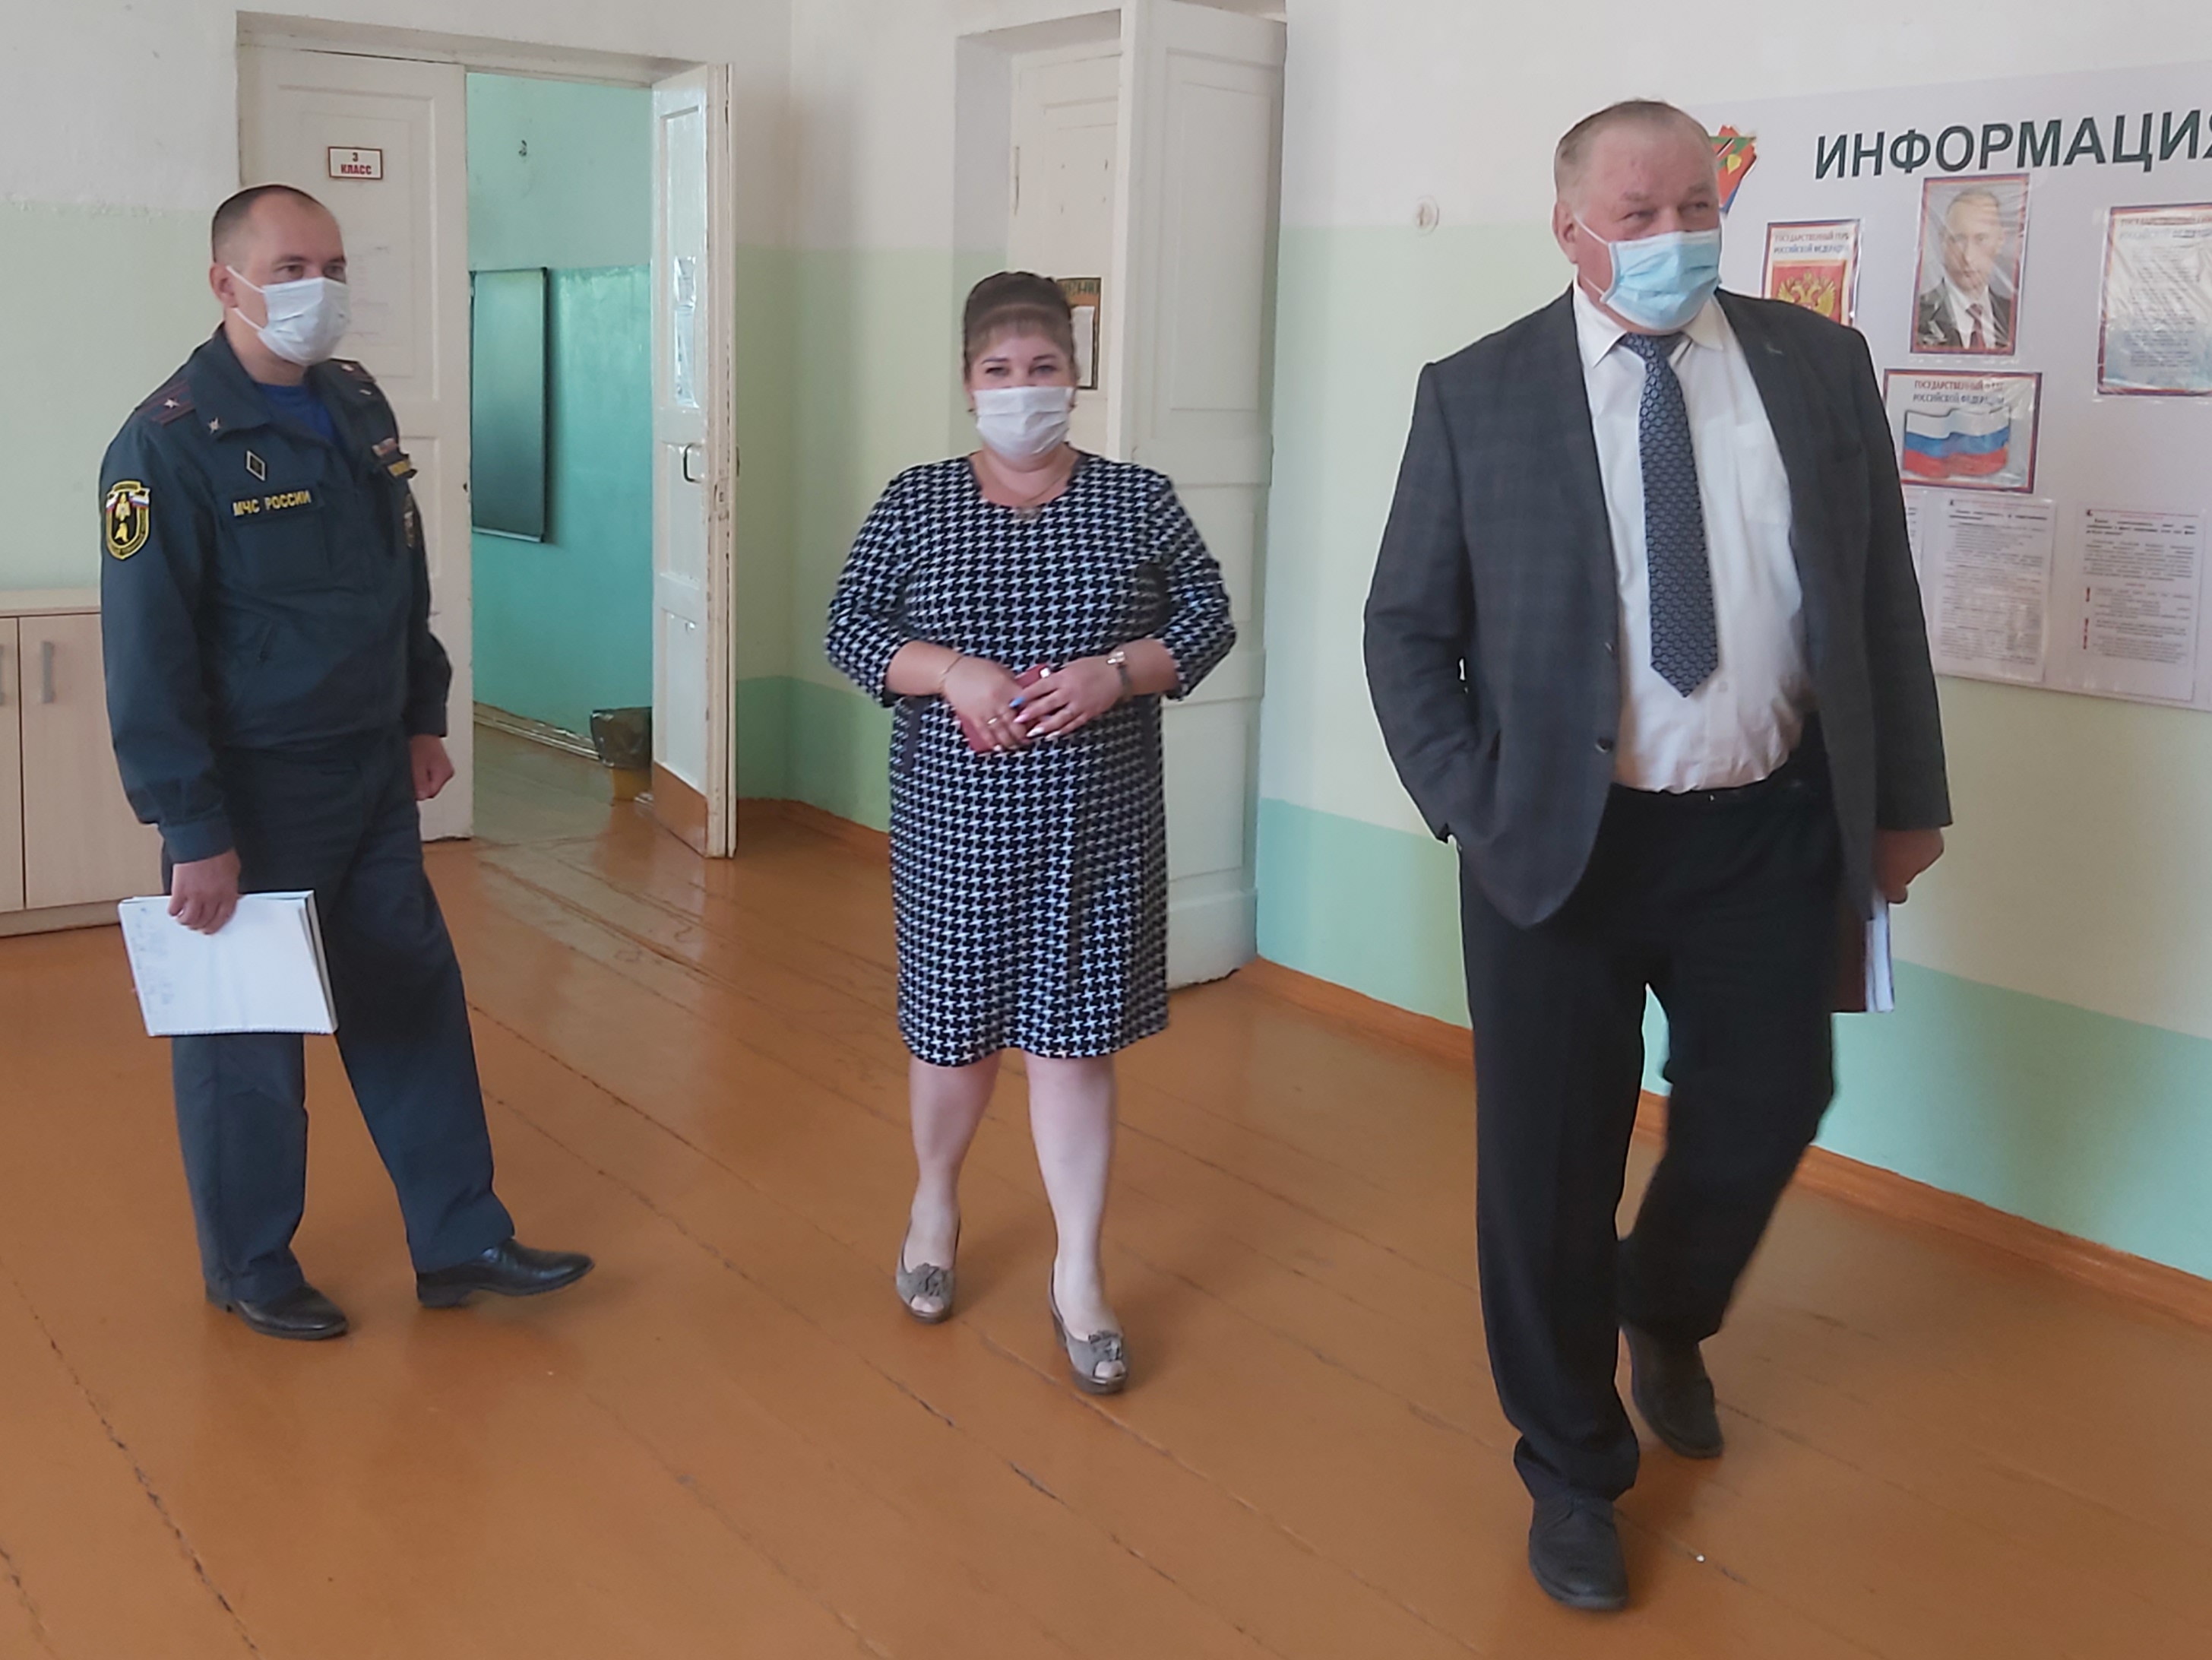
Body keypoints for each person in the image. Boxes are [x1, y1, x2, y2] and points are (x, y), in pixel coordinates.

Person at [1364, 102, 1950, 1611]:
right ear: (1568, 228)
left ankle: (1662, 1303)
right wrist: (1469, 801)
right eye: (1638, 214)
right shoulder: (1477, 392)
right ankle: (1570, 1467)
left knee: (1771, 1101)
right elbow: (1406, 627)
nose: (1676, 233)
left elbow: (1878, 594)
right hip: (1555, 847)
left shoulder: (1817, 365)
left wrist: (1903, 801)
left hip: (1766, 825)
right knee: (1548, 1169)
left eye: (1697, 203)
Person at [99, 184, 593, 1342]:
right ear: (225, 283)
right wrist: (192, 829)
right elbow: (148, 657)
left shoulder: (354, 401)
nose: (316, 289)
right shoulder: (166, 445)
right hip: (253, 793)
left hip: (369, 771)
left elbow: (396, 578)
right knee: (246, 1042)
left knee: (409, 998)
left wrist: (422, 714)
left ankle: (460, 1238)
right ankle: (252, 1265)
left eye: (330, 265)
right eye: (288, 269)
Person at [824, 272, 1234, 1395]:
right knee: (952, 1043)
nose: (1021, 388)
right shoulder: (915, 502)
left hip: (1095, 827)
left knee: (1073, 1045)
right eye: (998, 370)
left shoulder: (1137, 499)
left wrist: (1117, 672)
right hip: (953, 826)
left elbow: (1206, 618)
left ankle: (1079, 1272)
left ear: (1074, 377)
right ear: (968, 383)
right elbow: (850, 627)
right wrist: (950, 671)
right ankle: (934, 1204)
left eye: (1042, 367)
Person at [1914, 188, 2015, 352]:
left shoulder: (2015, 318)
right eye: (1957, 239)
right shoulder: (1917, 318)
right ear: (1942, 241)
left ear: (2000, 240)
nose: (1968, 257)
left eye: (1981, 239)